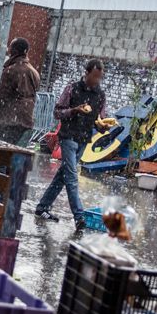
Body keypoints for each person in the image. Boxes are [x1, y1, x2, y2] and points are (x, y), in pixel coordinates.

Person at [35, 58, 106, 230]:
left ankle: (42, 207)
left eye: (99, 77)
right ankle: (79, 217)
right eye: (94, 76)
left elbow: (100, 120)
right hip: (68, 138)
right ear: (86, 73)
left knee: (63, 175)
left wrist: (101, 126)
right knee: (72, 177)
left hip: (83, 140)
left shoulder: (101, 95)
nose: (96, 80)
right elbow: (57, 112)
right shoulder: (72, 89)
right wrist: (74, 110)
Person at [0, 38, 41, 145]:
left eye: (10, 48)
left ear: (14, 51)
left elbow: (1, 96)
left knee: (1, 153)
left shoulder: (11, 70)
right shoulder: (34, 72)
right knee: (14, 153)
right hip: (26, 120)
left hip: (10, 120)